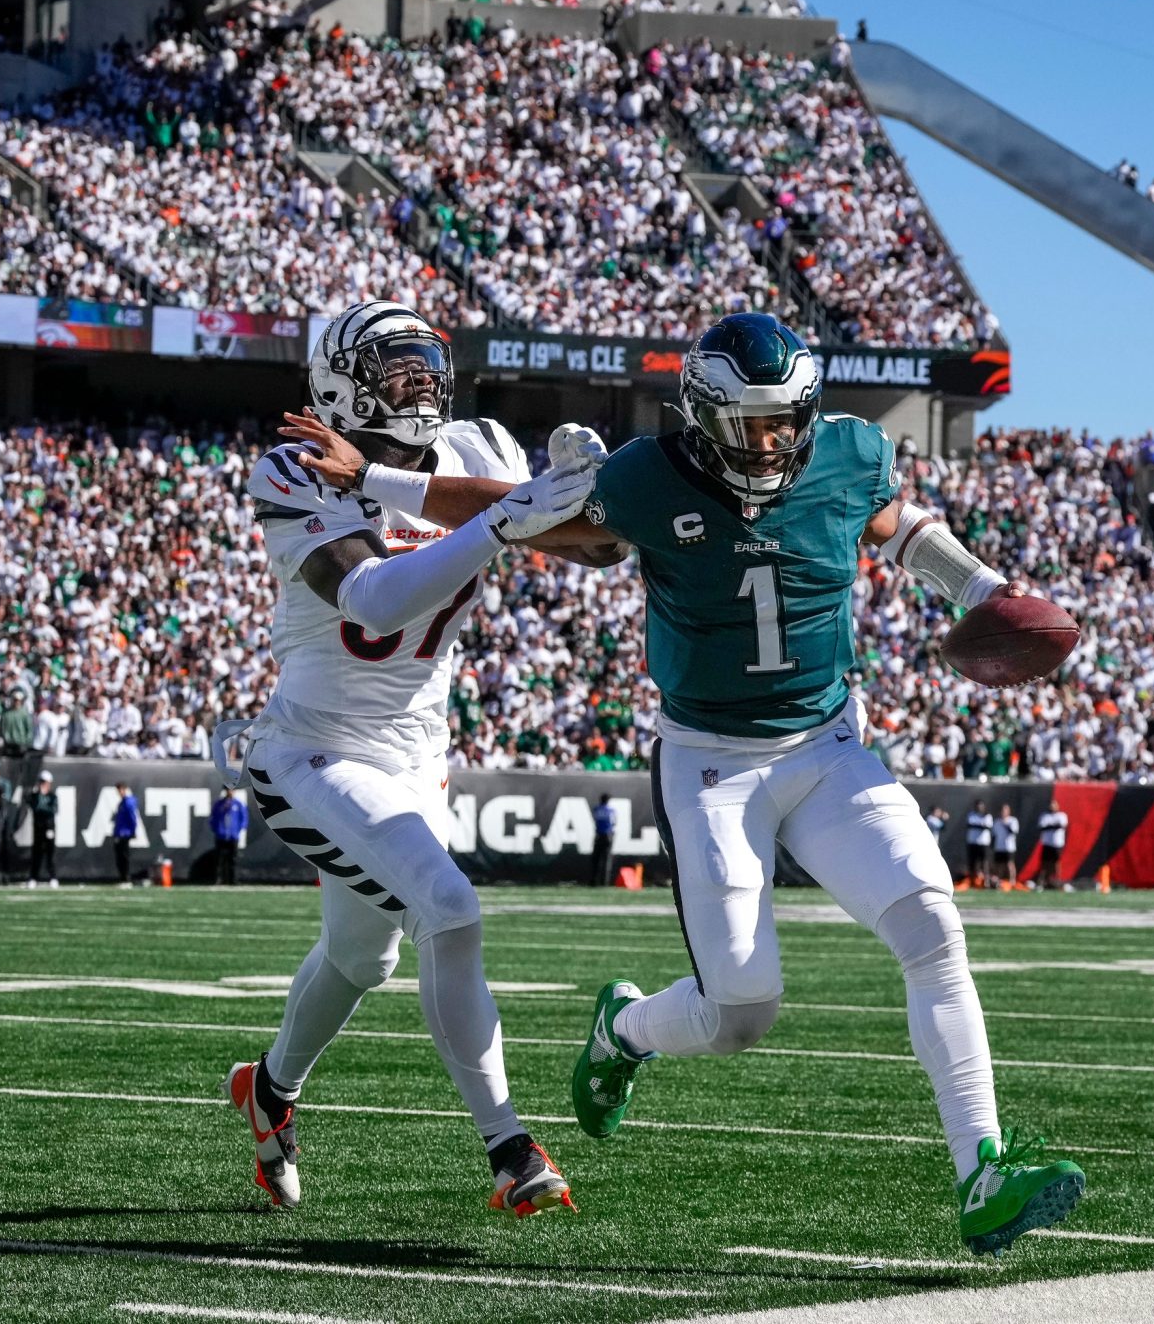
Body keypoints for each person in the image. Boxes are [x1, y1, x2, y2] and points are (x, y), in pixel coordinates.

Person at [288, 312, 1087, 1258]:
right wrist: (381, 480)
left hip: (828, 744)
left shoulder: (847, 452)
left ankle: (982, 1170)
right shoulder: (648, 475)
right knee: (742, 1012)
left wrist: (979, 586)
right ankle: (624, 1031)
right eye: (748, 423)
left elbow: (896, 521)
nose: (770, 442)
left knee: (930, 921)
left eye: (785, 421)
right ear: (703, 414)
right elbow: (533, 516)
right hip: (711, 762)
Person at [219, 298, 607, 1216]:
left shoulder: (476, 450)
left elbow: (598, 545)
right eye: (398, 371)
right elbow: (373, 600)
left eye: (428, 367)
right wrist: (506, 524)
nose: (421, 385)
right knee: (451, 906)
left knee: (362, 958)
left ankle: (270, 1090)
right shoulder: (294, 464)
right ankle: (511, 1148)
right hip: (312, 746)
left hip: (418, 752)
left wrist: (593, 493)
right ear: (343, 383)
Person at [210, 786, 248, 886]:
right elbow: (213, 818)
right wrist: (217, 830)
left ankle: (233, 880)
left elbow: (243, 818)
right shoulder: (219, 804)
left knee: (233, 859)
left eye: (231, 790)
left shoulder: (238, 804)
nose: (230, 792)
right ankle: (218, 879)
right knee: (219, 859)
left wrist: (238, 830)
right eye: (228, 790)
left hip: (233, 836)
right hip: (221, 836)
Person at [28, 770, 59, 885]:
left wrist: (42, 806)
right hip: (38, 827)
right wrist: (40, 796)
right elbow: (35, 808)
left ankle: (53, 877)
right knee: (37, 853)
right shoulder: (35, 796)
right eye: (41, 782)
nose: (43, 784)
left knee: (50, 853)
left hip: (49, 827)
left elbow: (53, 810)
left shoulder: (52, 796)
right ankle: (33, 878)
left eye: (45, 782)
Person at [1036, 803, 1070, 892]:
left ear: (1058, 806)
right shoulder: (1044, 816)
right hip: (1047, 843)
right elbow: (1042, 827)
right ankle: (1043, 881)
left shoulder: (1062, 815)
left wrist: (1049, 826)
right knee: (1045, 863)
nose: (1052, 807)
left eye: (1054, 806)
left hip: (1057, 844)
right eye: (1051, 806)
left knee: (1056, 863)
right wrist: (1053, 826)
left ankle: (1057, 881)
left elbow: (1061, 826)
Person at [111, 783, 139, 884]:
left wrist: (132, 831)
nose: (119, 792)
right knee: (119, 857)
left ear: (125, 790)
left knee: (124, 857)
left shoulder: (128, 802)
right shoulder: (121, 803)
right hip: (119, 833)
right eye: (118, 790)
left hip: (125, 833)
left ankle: (126, 878)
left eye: (121, 790)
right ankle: (122, 878)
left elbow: (132, 818)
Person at [963, 799, 994, 889]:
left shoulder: (987, 816)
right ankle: (972, 881)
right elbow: (970, 824)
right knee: (972, 863)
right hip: (972, 842)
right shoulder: (971, 815)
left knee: (984, 863)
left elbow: (987, 826)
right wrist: (980, 825)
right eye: (978, 806)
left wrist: (978, 825)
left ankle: (986, 882)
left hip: (983, 843)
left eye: (981, 805)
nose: (979, 807)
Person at [591, 793, 617, 887]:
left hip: (599, 835)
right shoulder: (611, 810)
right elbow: (614, 822)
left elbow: (595, 819)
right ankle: (605, 882)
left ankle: (594, 881)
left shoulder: (597, 809)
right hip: (608, 836)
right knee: (607, 860)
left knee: (596, 859)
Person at [993, 802, 1021, 889]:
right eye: (1002, 810)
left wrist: (1005, 824)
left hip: (1009, 847)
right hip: (999, 847)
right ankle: (999, 881)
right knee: (999, 865)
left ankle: (1012, 881)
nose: (1003, 812)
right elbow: (994, 834)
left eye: (1005, 810)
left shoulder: (1013, 820)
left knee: (1010, 864)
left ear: (1009, 811)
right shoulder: (997, 821)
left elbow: (1013, 832)